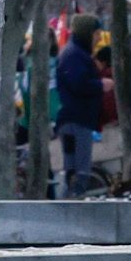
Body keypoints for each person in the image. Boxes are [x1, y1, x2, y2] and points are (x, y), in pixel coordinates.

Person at [53, 17, 108, 194]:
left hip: (73, 120)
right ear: (88, 34)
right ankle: (71, 208)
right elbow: (78, 84)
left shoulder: (73, 53)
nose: (99, 38)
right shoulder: (75, 55)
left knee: (72, 170)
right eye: (97, 34)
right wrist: (101, 85)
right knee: (79, 172)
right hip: (76, 121)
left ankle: (69, 204)